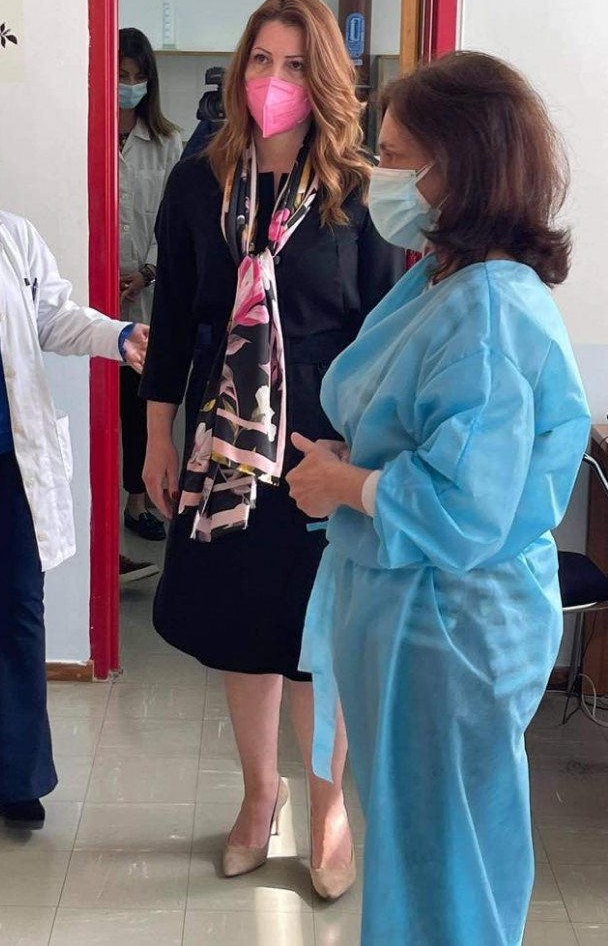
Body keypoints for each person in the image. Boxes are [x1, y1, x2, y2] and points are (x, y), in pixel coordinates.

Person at [287, 52, 591, 944]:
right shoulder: (443, 277)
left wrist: (347, 483)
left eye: (392, 156)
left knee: (447, 864)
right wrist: (354, 459)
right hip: (411, 612)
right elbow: (421, 431)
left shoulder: (489, 309)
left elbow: (467, 507)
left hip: (449, 625)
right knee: (416, 848)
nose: (375, 175)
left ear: (458, 166)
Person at [141, 0, 404, 897]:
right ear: (240, 68)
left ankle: (327, 808)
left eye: (295, 64)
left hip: (322, 451)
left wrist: (361, 464)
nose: (274, 79)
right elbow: (174, 322)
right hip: (223, 450)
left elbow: (385, 332)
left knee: (313, 638)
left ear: (324, 76)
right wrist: (158, 435)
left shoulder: (358, 191)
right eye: (262, 59)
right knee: (242, 631)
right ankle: (261, 797)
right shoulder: (198, 182)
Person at [0, 82, 147, 829]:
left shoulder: (10, 236)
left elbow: (54, 316)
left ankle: (17, 775)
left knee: (18, 608)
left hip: (9, 460)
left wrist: (119, 335)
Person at [118, 28, 182, 560]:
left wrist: (146, 272)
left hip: (144, 290)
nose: (130, 86)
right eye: (122, 76)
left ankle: (136, 502)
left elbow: (171, 224)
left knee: (138, 403)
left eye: (139, 78)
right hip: (92, 293)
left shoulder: (167, 143)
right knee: (97, 409)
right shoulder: (86, 129)